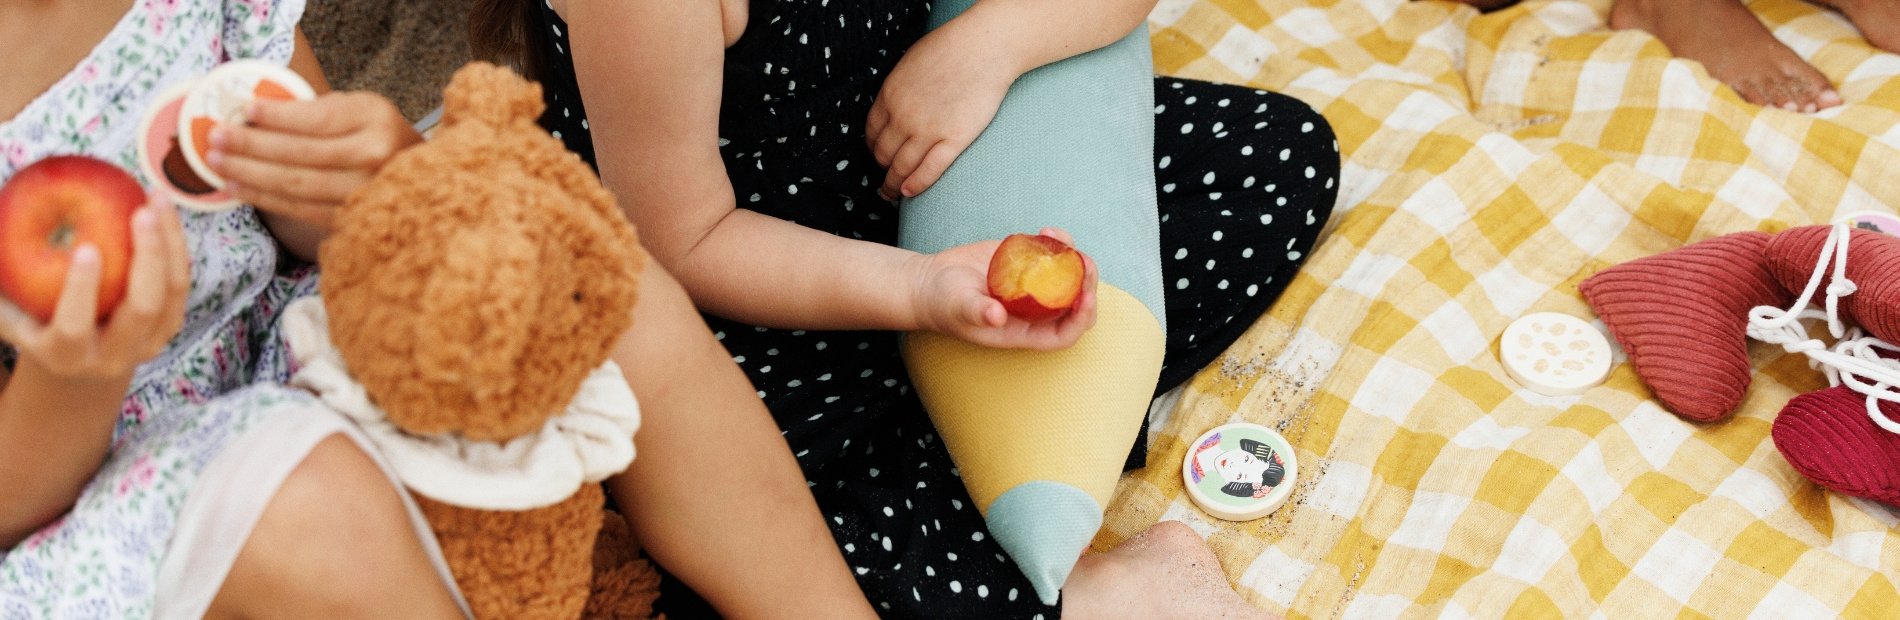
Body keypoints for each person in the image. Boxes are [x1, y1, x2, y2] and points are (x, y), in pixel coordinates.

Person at [0, 0, 877, 617]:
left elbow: (303, 211)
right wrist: (84, 375)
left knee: (567, 268)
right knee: (305, 497)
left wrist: (374, 175)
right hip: (80, 508)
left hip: (273, 343)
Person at [471, 0, 1341, 616]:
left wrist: (990, 46)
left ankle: (995, 427)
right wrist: (917, 292)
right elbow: (683, 242)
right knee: (728, 545)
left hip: (925, 181)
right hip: (752, 284)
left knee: (1275, 162)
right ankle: (1073, 570)